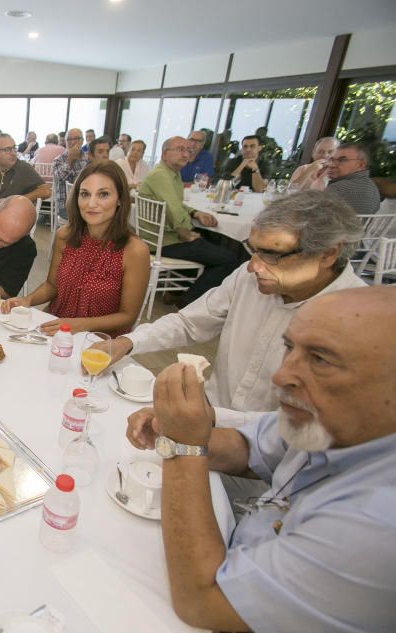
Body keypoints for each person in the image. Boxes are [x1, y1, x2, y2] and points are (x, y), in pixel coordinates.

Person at [127, 286, 396, 632]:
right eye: (290, 347)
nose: (281, 376)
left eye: (321, 359)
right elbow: (249, 447)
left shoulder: (376, 524)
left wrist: (182, 446)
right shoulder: (333, 419)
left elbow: (203, 602)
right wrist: (181, 428)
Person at [104, 190, 365, 419]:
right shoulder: (249, 276)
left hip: (266, 464)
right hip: (208, 412)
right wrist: (128, 342)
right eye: (253, 251)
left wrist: (210, 421)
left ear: (328, 254)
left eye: (272, 255)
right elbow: (189, 322)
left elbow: (300, 430)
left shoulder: (359, 323)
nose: (253, 266)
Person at [3, 160, 149, 337]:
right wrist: (28, 300)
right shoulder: (65, 235)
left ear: (120, 199)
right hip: (54, 330)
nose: (91, 204)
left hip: (99, 342)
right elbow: (51, 285)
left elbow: (128, 316)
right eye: (85, 194)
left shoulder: (134, 250)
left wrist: (78, 325)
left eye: (103, 194)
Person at [139, 136, 238, 308]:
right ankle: (188, 301)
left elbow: (176, 204)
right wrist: (185, 231)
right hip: (165, 242)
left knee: (212, 241)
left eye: (188, 150)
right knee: (230, 259)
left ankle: (176, 292)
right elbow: (175, 211)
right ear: (164, 153)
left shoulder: (172, 173)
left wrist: (194, 212)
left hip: (161, 238)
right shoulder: (161, 175)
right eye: (180, 150)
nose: (185, 154)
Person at [0, 133, 51, 204]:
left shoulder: (23, 167)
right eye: (7, 150)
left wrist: (16, 200)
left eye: (14, 148)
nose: (13, 153)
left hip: (15, 217)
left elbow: (46, 191)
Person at [325, 143, 381, 215]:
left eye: (342, 160)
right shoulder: (373, 187)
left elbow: (309, 217)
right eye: (332, 160)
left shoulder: (338, 188)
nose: (331, 165)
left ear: (361, 165)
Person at [51, 128, 89, 217]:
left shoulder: (89, 159)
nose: (72, 142)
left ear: (82, 141)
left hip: (88, 203)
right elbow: (61, 177)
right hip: (66, 205)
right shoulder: (58, 160)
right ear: (65, 142)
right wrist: (70, 159)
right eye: (69, 139)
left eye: (76, 139)